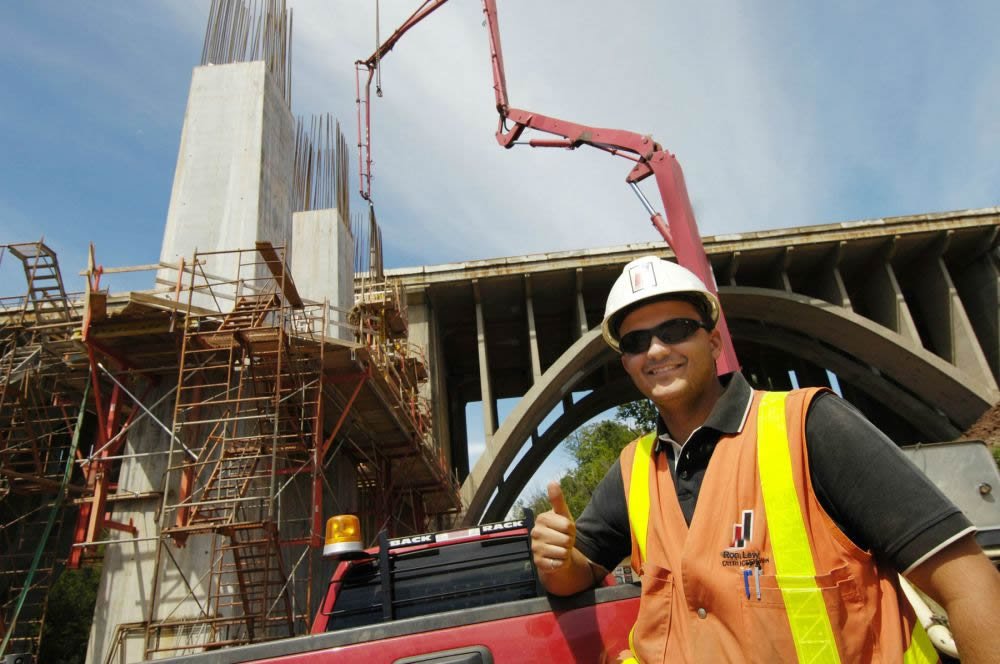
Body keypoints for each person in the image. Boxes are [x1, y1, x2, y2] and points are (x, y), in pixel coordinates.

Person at [531, 255, 1000, 663]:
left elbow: (967, 582)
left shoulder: (811, 426)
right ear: (627, 363)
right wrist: (557, 561)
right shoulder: (633, 469)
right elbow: (579, 573)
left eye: (676, 329)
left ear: (714, 343)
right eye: (635, 342)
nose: (655, 349)